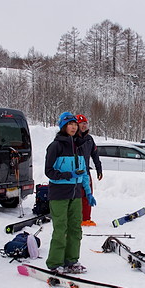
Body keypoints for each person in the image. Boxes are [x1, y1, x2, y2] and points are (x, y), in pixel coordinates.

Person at [44, 112, 96, 274]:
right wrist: (68, 175)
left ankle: (71, 261)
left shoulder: (79, 146)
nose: (73, 127)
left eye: (75, 124)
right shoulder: (56, 146)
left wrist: (87, 193)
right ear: (63, 126)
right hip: (59, 194)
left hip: (75, 194)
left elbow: (84, 172)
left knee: (75, 229)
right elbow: (49, 171)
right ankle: (55, 263)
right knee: (61, 229)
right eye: (70, 124)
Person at [75, 114, 103, 227]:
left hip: (86, 171)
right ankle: (75, 217)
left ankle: (86, 218)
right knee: (75, 196)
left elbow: (95, 155)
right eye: (82, 124)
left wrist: (99, 169)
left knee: (88, 194)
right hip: (74, 173)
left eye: (85, 124)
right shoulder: (71, 138)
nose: (84, 126)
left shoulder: (89, 139)